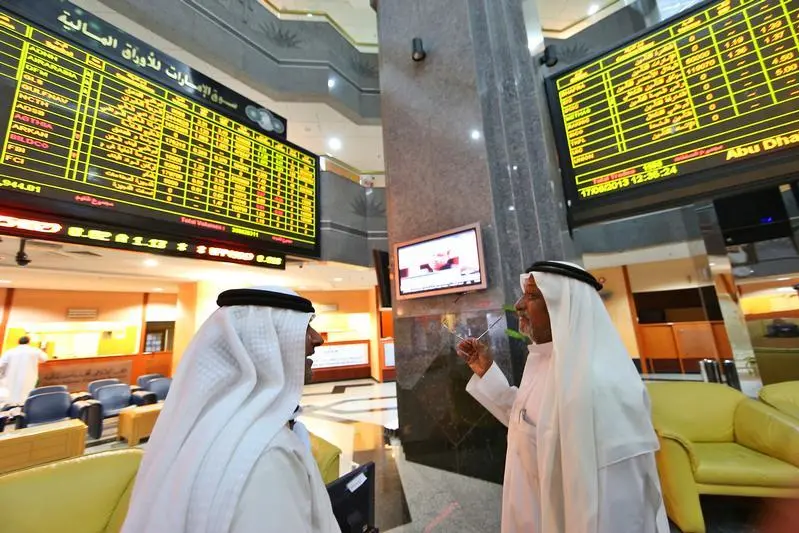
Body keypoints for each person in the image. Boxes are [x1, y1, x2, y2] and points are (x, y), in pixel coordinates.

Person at [457, 261, 669, 533]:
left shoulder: (601, 384)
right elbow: (530, 424)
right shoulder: (546, 360)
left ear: (565, 306)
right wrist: (486, 371)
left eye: (532, 296)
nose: (519, 304)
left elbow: (620, 509)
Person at [122, 287, 340, 533]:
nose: (317, 339)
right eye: (304, 327)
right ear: (263, 342)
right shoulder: (268, 455)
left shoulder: (208, 429)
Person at [0, 335, 48, 404]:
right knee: (26, 396)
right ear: (29, 342)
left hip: (11, 377)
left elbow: (1, 364)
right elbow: (44, 358)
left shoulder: (10, 352)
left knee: (11, 396)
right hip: (29, 377)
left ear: (18, 342)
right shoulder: (35, 351)